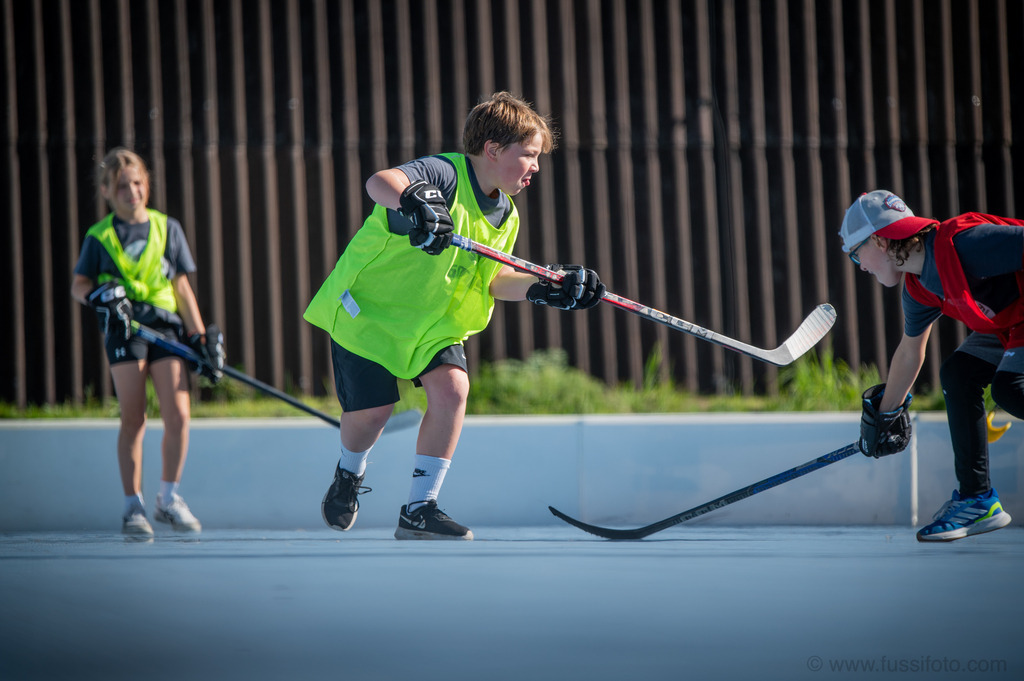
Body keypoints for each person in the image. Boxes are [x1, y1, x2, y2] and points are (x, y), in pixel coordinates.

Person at [304, 92, 605, 540]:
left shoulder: (507, 214)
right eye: (529, 155)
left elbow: (496, 278)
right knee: (372, 416)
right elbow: (379, 182)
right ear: (493, 150)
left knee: (453, 389)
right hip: (370, 316)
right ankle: (349, 473)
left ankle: (420, 509)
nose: (536, 167)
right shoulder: (442, 173)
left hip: (433, 324)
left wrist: (547, 287)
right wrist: (416, 199)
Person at [840, 189, 1022, 542]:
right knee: (958, 373)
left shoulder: (965, 245)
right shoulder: (919, 289)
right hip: (1008, 325)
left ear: (878, 241)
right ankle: (977, 500)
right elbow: (910, 353)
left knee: (1010, 389)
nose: (859, 266)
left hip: (1018, 323)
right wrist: (884, 416)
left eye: (855, 254)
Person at [71, 147, 225, 537]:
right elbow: (79, 286)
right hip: (127, 332)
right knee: (134, 417)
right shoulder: (99, 237)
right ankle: (132, 506)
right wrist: (101, 297)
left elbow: (182, 289)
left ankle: (169, 499)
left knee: (179, 414)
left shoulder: (166, 228)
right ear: (107, 190)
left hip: (166, 330)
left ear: (147, 186)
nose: (132, 191)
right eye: (122, 185)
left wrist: (201, 337)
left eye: (138, 183)